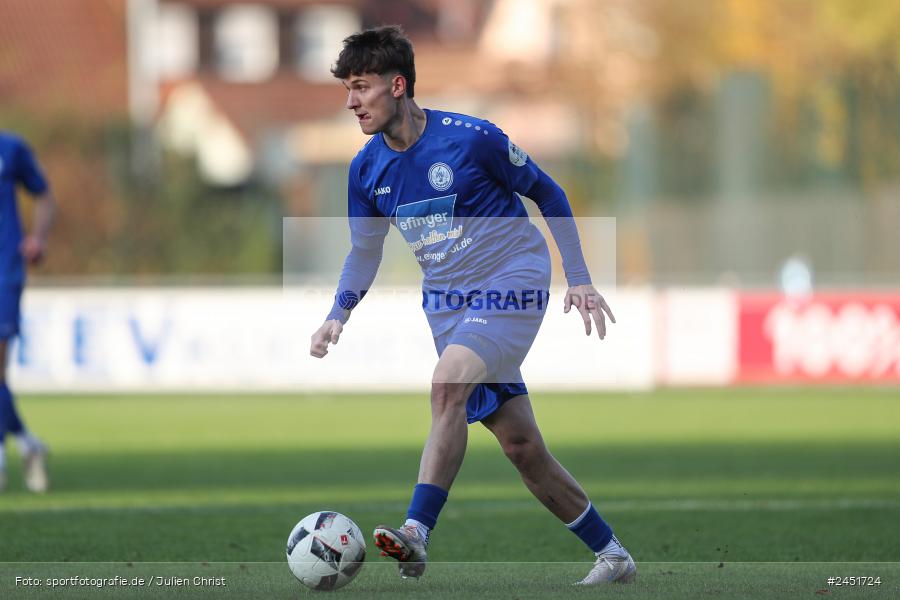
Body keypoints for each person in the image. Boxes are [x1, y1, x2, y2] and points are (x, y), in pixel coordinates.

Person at [309, 26, 635, 585]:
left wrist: (577, 278)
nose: (351, 102)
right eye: (347, 89)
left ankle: (416, 532)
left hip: (514, 278)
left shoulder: (472, 138)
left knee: (448, 381)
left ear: (398, 85)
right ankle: (613, 555)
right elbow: (364, 254)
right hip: (448, 306)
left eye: (360, 87)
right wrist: (337, 313)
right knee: (521, 445)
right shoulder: (365, 171)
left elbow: (548, 193)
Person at [0, 131, 55, 493]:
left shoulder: (11, 148)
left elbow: (45, 196)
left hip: (5, 271)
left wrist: (38, 237)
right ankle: (27, 442)